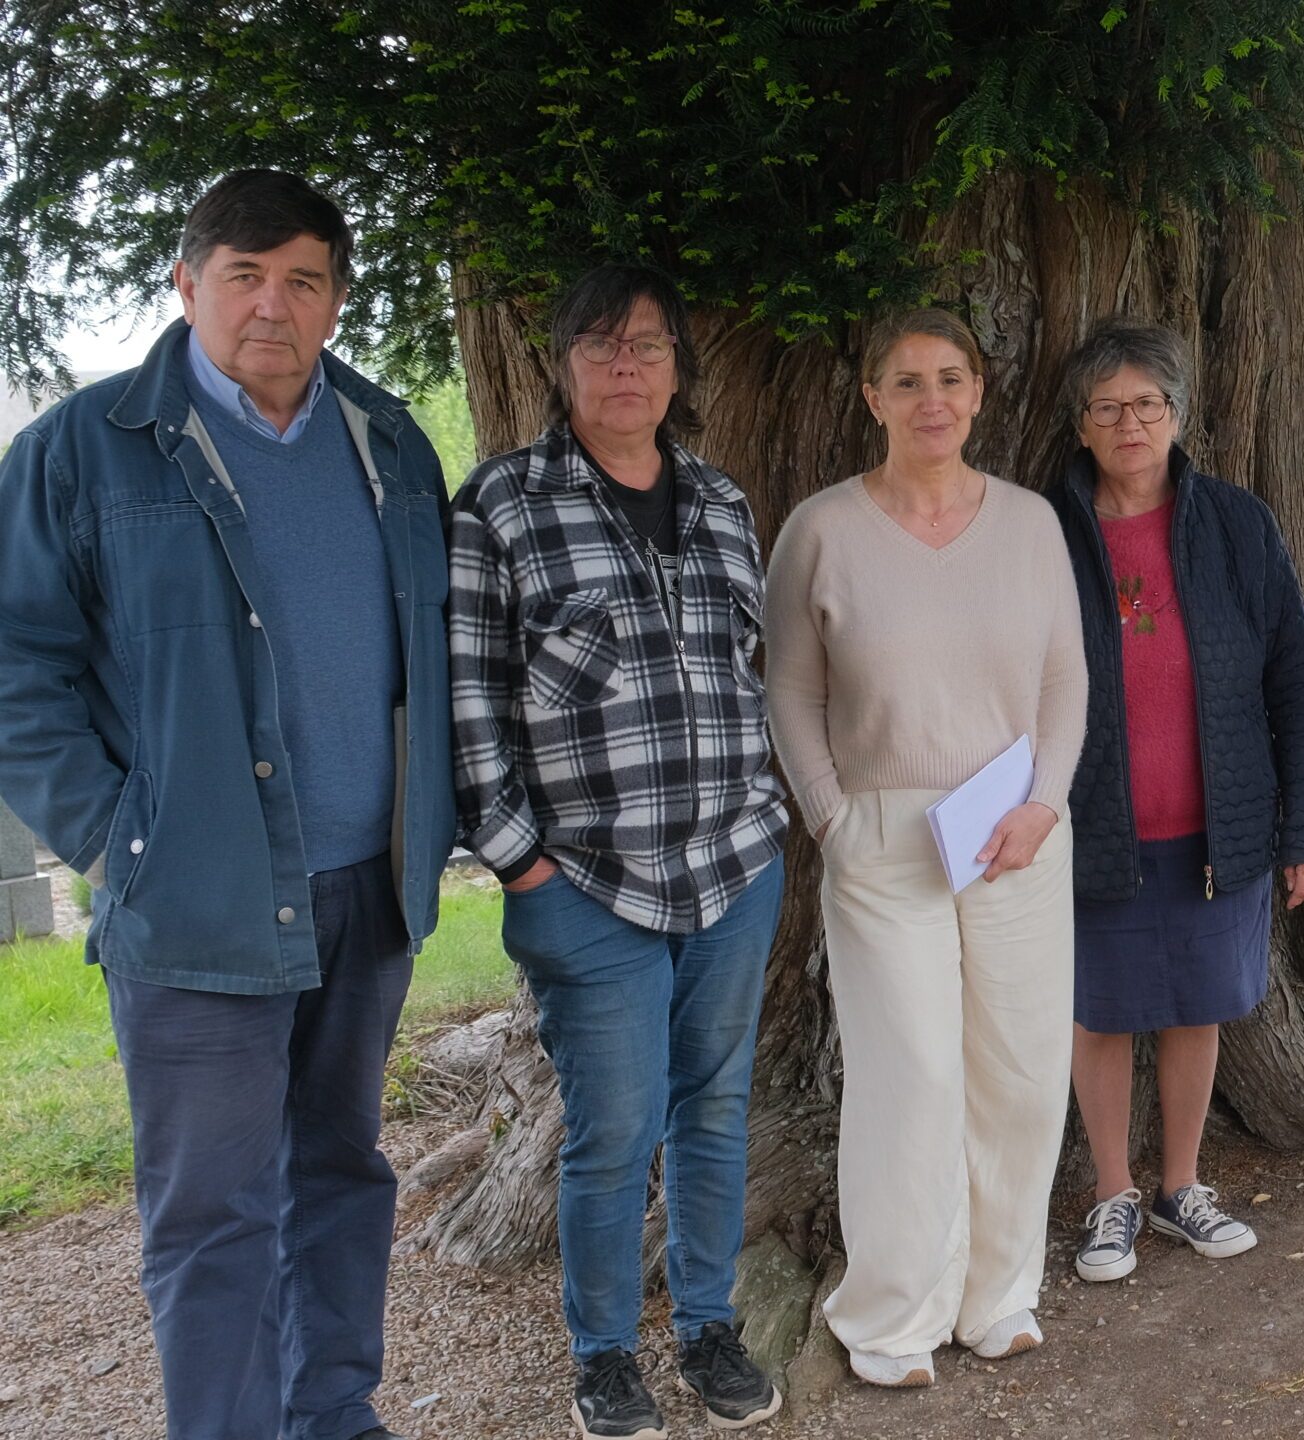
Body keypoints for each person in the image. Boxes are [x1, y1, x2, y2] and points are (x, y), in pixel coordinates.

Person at [0, 170, 452, 1440]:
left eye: (303, 278)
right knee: (213, 1211)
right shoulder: (83, 449)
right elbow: (14, 665)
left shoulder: (388, 439)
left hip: (369, 888)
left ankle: (336, 1413)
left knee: (341, 1172)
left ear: (336, 299)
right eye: (244, 275)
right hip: (196, 901)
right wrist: (113, 839)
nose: (273, 303)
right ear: (188, 285)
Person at [448, 263, 789, 1436]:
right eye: (600, 344)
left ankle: (707, 1326)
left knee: (716, 1110)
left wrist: (769, 807)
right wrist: (519, 861)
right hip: (587, 890)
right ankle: (603, 1357)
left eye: (647, 344)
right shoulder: (498, 506)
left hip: (735, 871)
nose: (625, 365)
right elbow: (468, 703)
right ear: (560, 362)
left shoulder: (724, 503)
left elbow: (755, 677)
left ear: (678, 364)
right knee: (611, 1130)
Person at [764, 308, 1087, 1388]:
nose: (931, 399)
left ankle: (997, 1296)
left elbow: (1064, 683)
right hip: (883, 834)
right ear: (872, 397)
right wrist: (828, 816)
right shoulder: (821, 529)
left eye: (950, 378)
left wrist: (1044, 802)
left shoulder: (1033, 524)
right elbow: (790, 689)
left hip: (1015, 828)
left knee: (1022, 1073)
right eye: (906, 382)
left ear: (981, 392)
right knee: (908, 1077)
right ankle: (893, 1315)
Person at [1042, 319, 1304, 1284]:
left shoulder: (1236, 523)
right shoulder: (1044, 531)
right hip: (1090, 825)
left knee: (1197, 1009)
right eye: (1108, 407)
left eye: (1149, 404)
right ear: (1081, 426)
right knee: (1101, 1014)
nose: (1130, 423)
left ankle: (1181, 1186)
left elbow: (1296, 679)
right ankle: (1113, 1194)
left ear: (1177, 415)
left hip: (1220, 823)